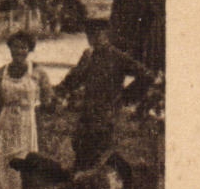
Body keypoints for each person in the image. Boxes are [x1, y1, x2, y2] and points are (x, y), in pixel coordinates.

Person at [58, 19, 152, 170]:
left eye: (97, 34)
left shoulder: (118, 57)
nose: (93, 39)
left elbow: (146, 76)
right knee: (81, 154)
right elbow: (74, 80)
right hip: (87, 114)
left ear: (106, 34)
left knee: (101, 158)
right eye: (90, 35)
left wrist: (126, 96)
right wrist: (61, 89)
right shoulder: (89, 56)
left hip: (107, 116)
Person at [0, 30, 53, 189]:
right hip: (6, 123)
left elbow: (48, 101)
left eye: (23, 47)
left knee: (26, 159)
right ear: (10, 48)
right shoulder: (1, 72)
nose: (19, 51)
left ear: (29, 50)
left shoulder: (38, 72)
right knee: (4, 162)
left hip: (28, 122)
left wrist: (40, 118)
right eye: (15, 46)